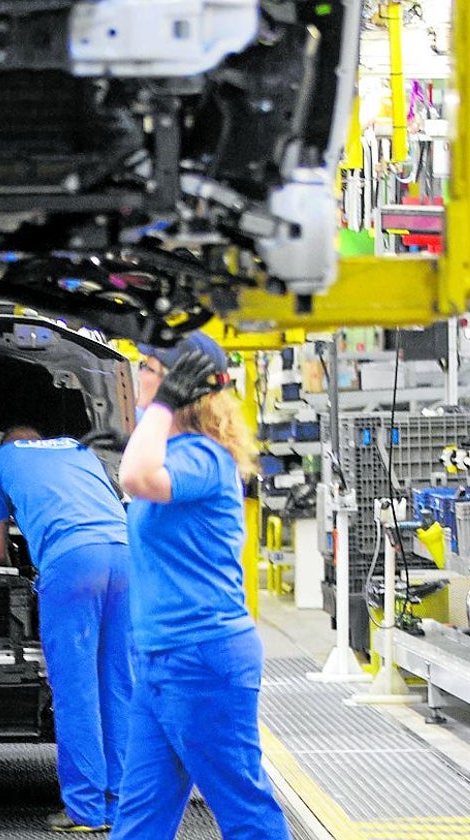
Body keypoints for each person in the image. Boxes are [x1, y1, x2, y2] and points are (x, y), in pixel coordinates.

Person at [115, 332, 290, 840]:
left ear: (178, 384)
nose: (139, 375)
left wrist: (164, 404)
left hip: (201, 657)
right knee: (141, 815)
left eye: (148, 367)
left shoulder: (202, 457)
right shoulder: (174, 451)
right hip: (158, 657)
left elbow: (135, 477)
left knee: (242, 808)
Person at [0, 427, 132, 834]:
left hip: (72, 565)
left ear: (7, 442)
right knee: (118, 686)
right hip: (126, 557)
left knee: (76, 690)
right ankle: (120, 806)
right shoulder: (81, 451)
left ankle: (84, 811)